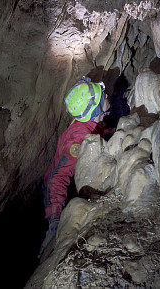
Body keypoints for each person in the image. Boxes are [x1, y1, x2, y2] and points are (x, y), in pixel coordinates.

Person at [38, 77, 111, 258]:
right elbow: (58, 179)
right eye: (102, 94)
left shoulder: (89, 125)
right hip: (58, 195)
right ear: (96, 108)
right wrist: (55, 219)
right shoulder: (78, 139)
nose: (107, 94)